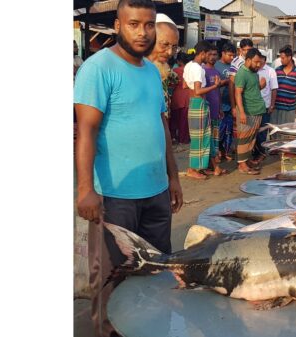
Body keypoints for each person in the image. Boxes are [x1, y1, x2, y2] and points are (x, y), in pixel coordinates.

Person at [73, 1, 184, 336]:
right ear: (118, 26)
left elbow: (160, 123)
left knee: (155, 270)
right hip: (115, 196)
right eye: (134, 24)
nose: (142, 31)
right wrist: (85, 189)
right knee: (111, 278)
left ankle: (150, 329)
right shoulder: (97, 68)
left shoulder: (151, 71)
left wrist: (173, 176)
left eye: (148, 25)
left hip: (155, 193)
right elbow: (86, 131)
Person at [183, 40, 221, 180]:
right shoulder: (199, 69)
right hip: (199, 102)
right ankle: (192, 168)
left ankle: (200, 167)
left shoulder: (188, 66)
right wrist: (214, 86)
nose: (209, 57)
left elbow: (185, 85)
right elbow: (198, 90)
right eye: (208, 54)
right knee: (201, 137)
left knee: (199, 136)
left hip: (193, 102)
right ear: (203, 53)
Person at [234, 48, 265, 175]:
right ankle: (242, 164)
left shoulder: (254, 73)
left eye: (260, 62)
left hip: (256, 109)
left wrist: (261, 85)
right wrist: (241, 112)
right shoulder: (242, 73)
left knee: (252, 138)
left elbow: (253, 89)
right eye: (256, 62)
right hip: (247, 111)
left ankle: (246, 160)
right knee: (244, 138)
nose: (258, 65)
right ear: (248, 60)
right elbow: (238, 94)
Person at [147, 13, 180, 120]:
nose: (170, 52)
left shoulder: (164, 68)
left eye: (174, 47)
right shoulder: (132, 70)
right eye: (165, 45)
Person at [202, 44, 228, 176]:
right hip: (206, 110)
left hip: (216, 109)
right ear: (205, 54)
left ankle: (210, 165)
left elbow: (218, 91)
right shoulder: (202, 71)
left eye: (214, 55)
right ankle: (214, 166)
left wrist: (220, 108)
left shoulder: (216, 72)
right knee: (209, 139)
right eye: (210, 54)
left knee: (214, 138)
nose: (212, 57)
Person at [253, 54, 278, 162]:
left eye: (261, 59)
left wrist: (272, 105)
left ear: (265, 59)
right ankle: (255, 152)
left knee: (263, 131)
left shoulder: (270, 71)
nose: (259, 62)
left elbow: (274, 89)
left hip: (265, 105)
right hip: (253, 106)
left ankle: (261, 153)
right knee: (253, 131)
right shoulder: (252, 70)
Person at [273, 46, 296, 125]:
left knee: (287, 130)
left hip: (290, 108)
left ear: (289, 57)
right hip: (276, 108)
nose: (281, 60)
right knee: (274, 131)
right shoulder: (277, 71)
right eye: (280, 58)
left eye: (283, 58)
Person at [214, 42, 235, 161]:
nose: (231, 58)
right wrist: (227, 81)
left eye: (233, 56)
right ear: (223, 53)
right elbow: (214, 84)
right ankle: (216, 153)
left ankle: (226, 152)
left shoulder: (233, 66)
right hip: (219, 104)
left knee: (229, 131)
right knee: (219, 131)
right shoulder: (216, 66)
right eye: (229, 55)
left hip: (230, 103)